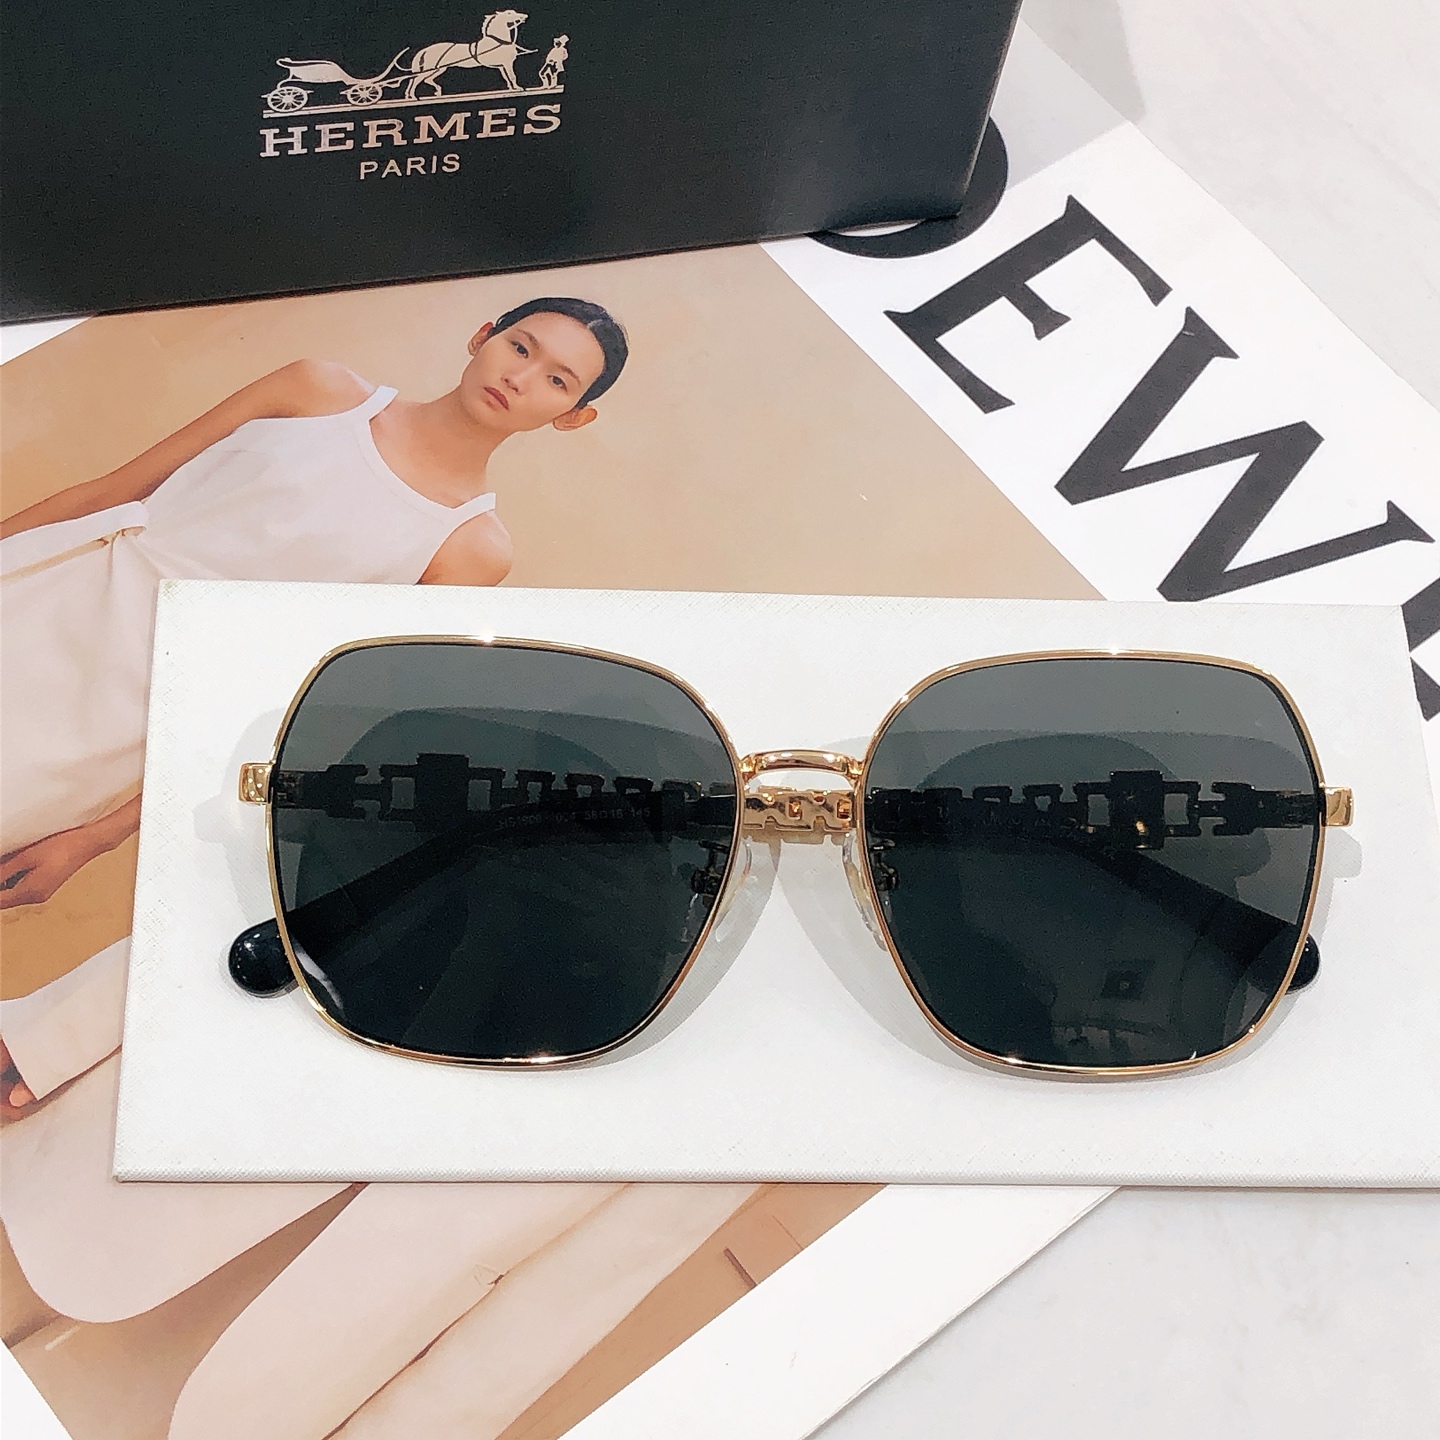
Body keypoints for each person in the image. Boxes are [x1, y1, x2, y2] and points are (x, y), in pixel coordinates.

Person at [0, 297, 629, 929]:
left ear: (572, 417)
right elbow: (113, 490)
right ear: (482, 336)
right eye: (519, 347)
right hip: (44, 598)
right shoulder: (317, 390)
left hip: (119, 720)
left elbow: (279, 703)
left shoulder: (470, 548)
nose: (519, 378)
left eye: (557, 380)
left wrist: (98, 836)